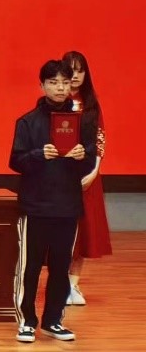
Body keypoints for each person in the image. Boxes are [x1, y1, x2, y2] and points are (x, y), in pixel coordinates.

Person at [10, 59, 96, 343]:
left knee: (60, 268)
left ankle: (53, 321)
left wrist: (82, 156)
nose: (60, 88)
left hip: (67, 206)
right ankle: (26, 321)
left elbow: (90, 162)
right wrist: (39, 155)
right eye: (53, 82)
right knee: (30, 266)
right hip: (35, 206)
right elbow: (16, 161)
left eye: (64, 82)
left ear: (71, 85)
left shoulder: (82, 122)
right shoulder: (27, 121)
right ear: (42, 85)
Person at [62, 50, 111, 306]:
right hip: (61, 177)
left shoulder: (91, 104)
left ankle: (73, 284)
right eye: (71, 70)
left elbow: (100, 138)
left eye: (80, 71)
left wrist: (94, 171)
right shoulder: (56, 101)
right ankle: (59, 283)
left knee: (85, 233)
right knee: (62, 232)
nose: (75, 76)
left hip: (88, 176)